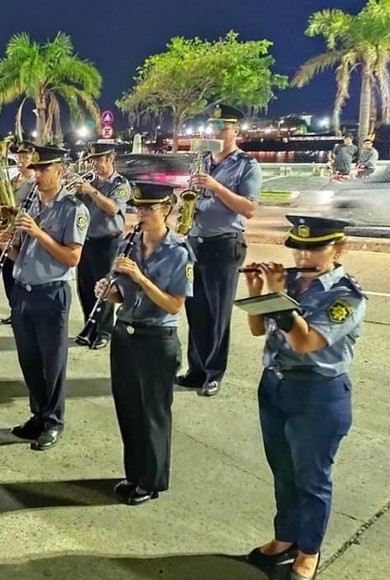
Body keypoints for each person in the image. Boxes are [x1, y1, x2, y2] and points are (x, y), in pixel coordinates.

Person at [242, 215, 366, 580]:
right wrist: (256, 290)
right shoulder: (293, 283)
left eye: (315, 249)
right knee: (282, 470)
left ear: (338, 249)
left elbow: (305, 342)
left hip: (318, 394)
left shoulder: (346, 295)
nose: (303, 257)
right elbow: (255, 329)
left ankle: (309, 548)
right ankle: (286, 536)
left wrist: (278, 296)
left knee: (312, 479)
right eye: (299, 248)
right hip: (276, 385)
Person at [95, 182, 194, 504]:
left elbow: (174, 304)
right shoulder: (129, 243)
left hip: (156, 338)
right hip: (126, 333)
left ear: (167, 210)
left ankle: (152, 481)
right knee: (128, 409)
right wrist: (107, 293)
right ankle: (135, 473)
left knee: (153, 413)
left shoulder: (179, 252)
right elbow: (123, 294)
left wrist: (140, 278)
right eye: (139, 207)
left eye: (150, 208)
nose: (143, 213)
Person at [0, 144, 90, 451]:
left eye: (43, 170)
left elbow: (72, 257)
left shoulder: (73, 209)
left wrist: (38, 233)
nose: (36, 175)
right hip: (23, 293)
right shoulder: (31, 204)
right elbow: (23, 253)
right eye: (34, 170)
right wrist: (10, 246)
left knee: (52, 363)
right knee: (30, 361)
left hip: (51, 294)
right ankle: (38, 415)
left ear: (60, 171)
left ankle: (53, 421)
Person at [177, 104, 261, 397]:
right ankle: (196, 369)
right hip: (195, 243)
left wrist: (215, 187)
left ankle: (214, 373)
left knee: (217, 313)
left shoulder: (246, 165)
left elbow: (249, 208)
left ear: (236, 131)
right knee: (195, 309)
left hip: (224, 245)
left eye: (222, 128)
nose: (216, 133)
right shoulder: (202, 162)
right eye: (213, 127)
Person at [73, 142, 131, 349]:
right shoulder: (90, 183)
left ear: (110, 159)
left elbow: (113, 208)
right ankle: (90, 326)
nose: (95, 164)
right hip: (86, 241)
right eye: (92, 160)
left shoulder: (120, 184)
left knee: (104, 288)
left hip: (108, 242)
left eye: (98, 159)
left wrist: (90, 191)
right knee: (85, 287)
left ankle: (104, 331)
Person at [0, 140, 36, 325]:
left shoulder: (35, 183)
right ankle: (14, 309)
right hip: (8, 232)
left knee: (20, 274)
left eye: (25, 157)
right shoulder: (13, 179)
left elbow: (34, 209)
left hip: (23, 234)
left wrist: (13, 211)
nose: (21, 160)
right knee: (7, 274)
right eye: (19, 156)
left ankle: (23, 311)